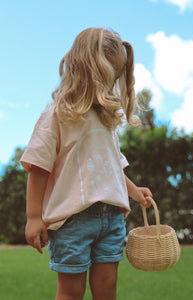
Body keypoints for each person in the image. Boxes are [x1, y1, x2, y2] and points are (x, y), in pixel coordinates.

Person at [20, 27, 152, 300]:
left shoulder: (107, 121)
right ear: (85, 69)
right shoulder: (57, 114)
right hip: (72, 221)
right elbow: (39, 167)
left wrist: (133, 190)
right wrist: (34, 217)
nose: (109, 86)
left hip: (112, 218)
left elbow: (112, 166)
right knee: (71, 292)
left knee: (107, 288)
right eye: (106, 77)